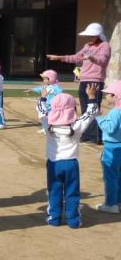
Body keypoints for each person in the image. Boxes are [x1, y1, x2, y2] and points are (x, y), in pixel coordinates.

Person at [38, 88, 98, 228]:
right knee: (72, 192)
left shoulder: (48, 124)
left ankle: (54, 218)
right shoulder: (76, 125)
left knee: (54, 191)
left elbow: (41, 110)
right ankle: (73, 220)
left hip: (53, 164)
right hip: (71, 164)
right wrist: (92, 96)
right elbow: (92, 112)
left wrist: (43, 98)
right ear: (73, 109)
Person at [47, 22, 111, 144]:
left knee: (93, 108)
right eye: (89, 35)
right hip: (84, 80)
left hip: (95, 80)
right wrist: (59, 57)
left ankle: (96, 136)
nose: (89, 38)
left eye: (92, 35)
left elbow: (103, 61)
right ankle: (86, 133)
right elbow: (76, 57)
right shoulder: (87, 46)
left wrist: (91, 58)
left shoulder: (105, 46)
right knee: (85, 108)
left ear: (99, 35)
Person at [95, 80, 121, 213]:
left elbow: (109, 128)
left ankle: (111, 204)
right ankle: (118, 202)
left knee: (110, 176)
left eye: (108, 94)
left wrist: (98, 117)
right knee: (119, 176)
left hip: (112, 148)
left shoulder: (116, 111)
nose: (106, 96)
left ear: (115, 96)